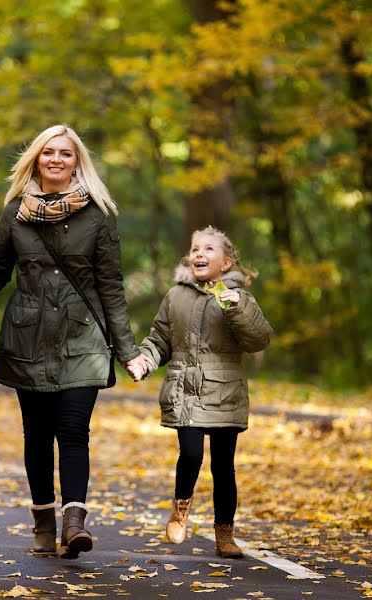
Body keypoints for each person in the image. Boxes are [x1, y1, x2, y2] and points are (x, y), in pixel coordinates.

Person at [0, 124, 151, 559]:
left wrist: (128, 350)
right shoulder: (15, 211)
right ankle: (44, 522)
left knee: (73, 430)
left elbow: (110, 286)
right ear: (36, 159)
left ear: (78, 162)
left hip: (83, 338)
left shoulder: (97, 214)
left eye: (66, 154)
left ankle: (74, 522)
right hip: (28, 337)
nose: (56, 160)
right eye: (48, 153)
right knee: (36, 435)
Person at [137, 225, 272, 558]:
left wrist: (236, 306)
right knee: (192, 454)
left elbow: (259, 339)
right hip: (186, 389)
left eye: (209, 249)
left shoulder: (239, 297)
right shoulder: (176, 296)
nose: (199, 253)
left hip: (225, 390)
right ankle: (181, 507)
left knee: (223, 466)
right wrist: (145, 361)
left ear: (226, 263)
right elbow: (159, 340)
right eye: (195, 248)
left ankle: (224, 534)